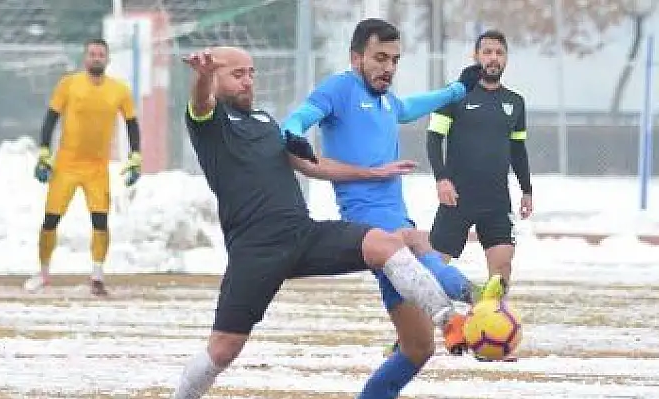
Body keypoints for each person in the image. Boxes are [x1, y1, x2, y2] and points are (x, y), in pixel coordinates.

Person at [170, 45, 503, 399]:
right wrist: (202, 77)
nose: (248, 82)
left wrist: (372, 173)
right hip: (256, 251)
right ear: (216, 78)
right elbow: (201, 104)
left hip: (303, 233)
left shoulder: (267, 122)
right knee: (223, 350)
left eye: (251, 73)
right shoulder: (211, 125)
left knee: (386, 243)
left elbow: (313, 165)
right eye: (238, 75)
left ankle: (448, 321)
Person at [283, 18, 500, 398]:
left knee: (417, 349)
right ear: (356, 58)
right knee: (418, 244)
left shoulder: (386, 101)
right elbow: (298, 117)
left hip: (396, 216)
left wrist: (456, 89)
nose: (388, 68)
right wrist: (294, 135)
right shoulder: (340, 89)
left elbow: (411, 107)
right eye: (380, 58)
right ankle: (472, 295)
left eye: (395, 60)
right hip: (368, 224)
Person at [23, 39, 143, 296]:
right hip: (66, 165)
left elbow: (132, 123)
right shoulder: (69, 84)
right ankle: (43, 272)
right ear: (85, 58)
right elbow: (51, 119)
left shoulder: (119, 90)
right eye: (92, 54)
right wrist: (44, 153)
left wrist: (135, 157)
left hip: (97, 168)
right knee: (51, 219)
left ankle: (97, 277)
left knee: (100, 221)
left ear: (107, 59)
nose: (96, 58)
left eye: (101, 54)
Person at [427, 29, 533, 293]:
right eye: (487, 52)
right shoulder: (454, 97)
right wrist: (441, 179)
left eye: (499, 52)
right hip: (457, 198)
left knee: (502, 269)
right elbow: (433, 139)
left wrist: (527, 190)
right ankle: (419, 332)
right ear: (476, 56)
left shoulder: (515, 102)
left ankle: (493, 328)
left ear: (506, 58)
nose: (493, 58)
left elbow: (518, 149)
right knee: (434, 269)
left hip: (496, 200)